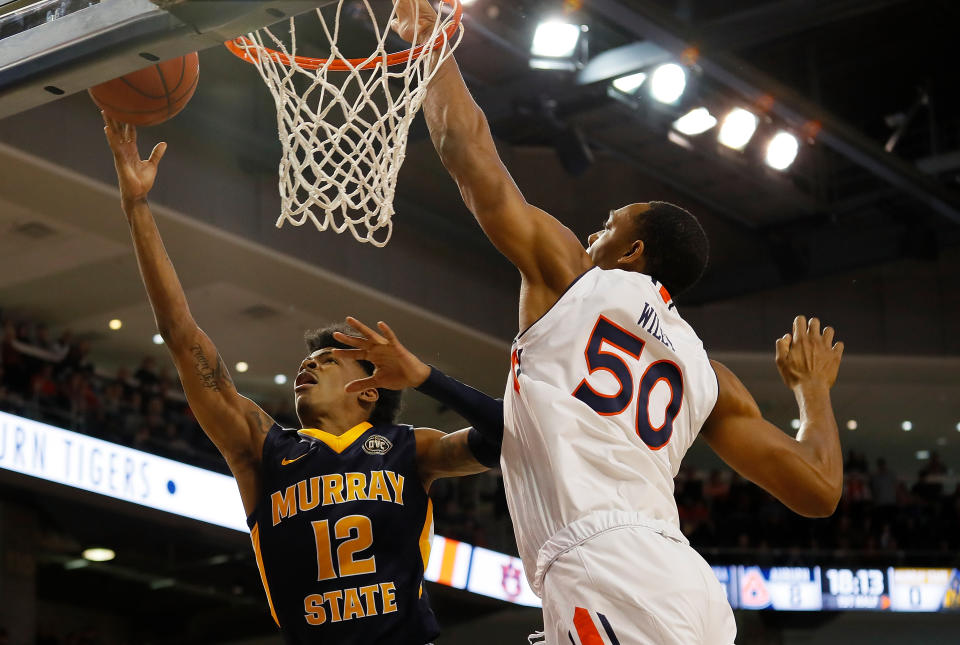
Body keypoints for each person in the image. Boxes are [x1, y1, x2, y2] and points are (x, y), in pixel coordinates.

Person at [391, 2, 846, 642]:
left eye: (607, 226)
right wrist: (813, 393)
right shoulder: (707, 376)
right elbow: (820, 491)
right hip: (682, 580)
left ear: (632, 253)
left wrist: (425, 39)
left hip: (603, 567)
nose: (589, 233)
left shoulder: (572, 277)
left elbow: (468, 152)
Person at [100, 113, 503, 645]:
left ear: (371, 388)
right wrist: (136, 206)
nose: (308, 364)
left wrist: (425, 377)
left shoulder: (409, 450)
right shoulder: (263, 450)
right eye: (310, 360)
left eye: (330, 360)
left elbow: (504, 436)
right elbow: (181, 336)